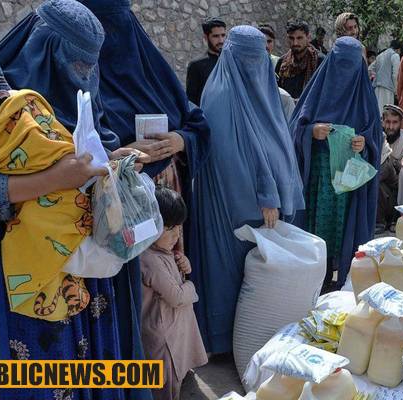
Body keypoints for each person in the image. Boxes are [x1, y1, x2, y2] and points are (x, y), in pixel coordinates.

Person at [0, 27, 128, 400]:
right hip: (11, 275)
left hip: (71, 265)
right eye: (74, 61)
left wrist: (111, 166)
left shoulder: (24, 106)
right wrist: (56, 178)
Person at [191, 26, 304, 353]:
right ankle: (230, 341)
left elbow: (273, 136)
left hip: (262, 200)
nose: (255, 66)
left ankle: (262, 332)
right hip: (237, 200)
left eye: (260, 59)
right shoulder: (222, 95)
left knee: (258, 271)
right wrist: (268, 193)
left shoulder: (261, 85)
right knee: (234, 270)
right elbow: (235, 157)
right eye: (248, 59)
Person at [80, 0, 211, 276]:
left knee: (168, 278)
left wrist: (180, 139)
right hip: (119, 205)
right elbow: (77, 144)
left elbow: (196, 121)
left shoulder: (152, 72)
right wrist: (119, 151)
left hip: (168, 203)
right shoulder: (82, 84)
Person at [290, 36, 382, 291]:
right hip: (318, 177)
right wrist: (312, 132)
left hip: (349, 179)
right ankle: (315, 279)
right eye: (340, 63)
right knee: (317, 227)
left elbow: (375, 134)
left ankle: (342, 281)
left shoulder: (365, 96)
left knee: (344, 229)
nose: (344, 72)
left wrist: (364, 143)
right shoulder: (317, 90)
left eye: (350, 65)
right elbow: (295, 127)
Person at [141, 186, 207, 400]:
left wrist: (183, 265)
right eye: (169, 228)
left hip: (172, 326)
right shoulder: (149, 260)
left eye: (178, 227)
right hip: (163, 335)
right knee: (166, 385)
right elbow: (177, 297)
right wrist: (191, 287)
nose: (176, 234)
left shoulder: (161, 251)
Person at [376, 105, 403, 232]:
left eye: (395, 122)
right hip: (381, 190)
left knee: (385, 166)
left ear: (400, 123)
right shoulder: (377, 137)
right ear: (382, 121)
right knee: (377, 181)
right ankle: (379, 222)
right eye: (387, 122)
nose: (391, 127)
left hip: (399, 191)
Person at [276, 20, 325, 100]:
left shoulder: (320, 61)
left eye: (299, 38)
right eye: (291, 38)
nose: (295, 43)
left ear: (308, 38)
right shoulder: (282, 63)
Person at [186, 17, 227, 106]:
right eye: (216, 36)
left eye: (223, 35)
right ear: (206, 37)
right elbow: (191, 101)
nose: (221, 40)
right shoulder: (196, 65)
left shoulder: (231, 62)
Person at [368, 40, 401, 114]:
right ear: (398, 49)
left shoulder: (380, 55)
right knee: (386, 112)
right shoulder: (395, 55)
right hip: (388, 88)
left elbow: (370, 69)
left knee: (377, 111)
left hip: (377, 87)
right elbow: (396, 75)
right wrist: (396, 91)